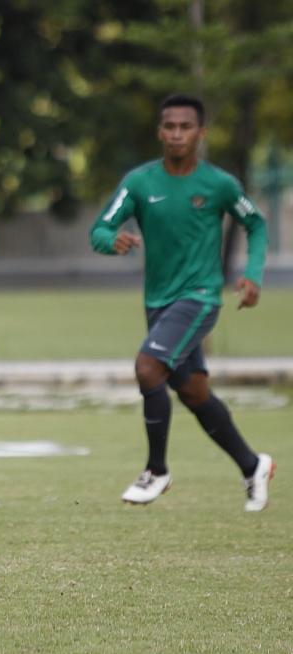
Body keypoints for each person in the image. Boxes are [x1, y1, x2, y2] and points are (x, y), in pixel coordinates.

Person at [90, 93, 274, 511]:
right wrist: (111, 241)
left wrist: (254, 275)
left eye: (185, 127)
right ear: (160, 132)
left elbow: (257, 224)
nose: (176, 134)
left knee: (147, 366)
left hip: (201, 296)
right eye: (169, 127)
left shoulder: (219, 184)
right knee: (193, 391)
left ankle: (156, 470)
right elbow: (100, 228)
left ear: (200, 133)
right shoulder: (139, 182)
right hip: (158, 301)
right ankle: (252, 465)